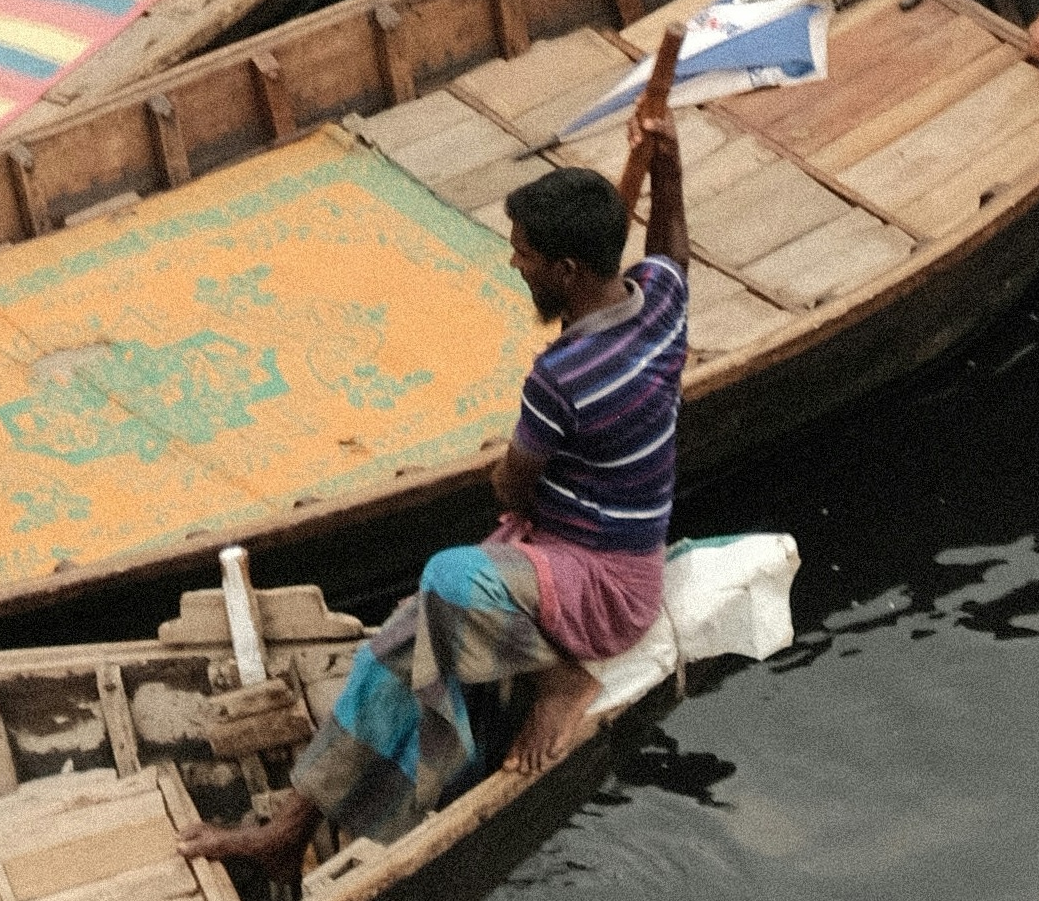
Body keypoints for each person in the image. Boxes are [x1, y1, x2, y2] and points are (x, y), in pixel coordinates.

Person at [179, 137, 689, 878]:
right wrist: (668, 167)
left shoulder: (561, 374)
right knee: (407, 633)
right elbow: (672, 245)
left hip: (607, 583)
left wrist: (503, 469)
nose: (514, 263)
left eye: (523, 253)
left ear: (565, 271)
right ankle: (289, 832)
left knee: (450, 577)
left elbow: (512, 488)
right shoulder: (664, 301)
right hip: (575, 552)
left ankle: (559, 678)